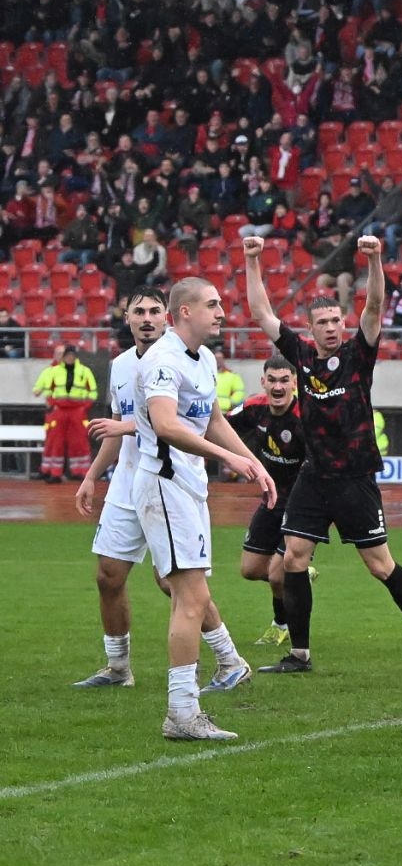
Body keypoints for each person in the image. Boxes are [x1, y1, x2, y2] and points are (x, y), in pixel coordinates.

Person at [244, 234, 402, 675]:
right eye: (323, 322)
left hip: (355, 479)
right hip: (314, 477)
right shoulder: (301, 356)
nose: (332, 327)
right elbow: (262, 312)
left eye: (336, 320)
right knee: (293, 558)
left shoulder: (358, 354)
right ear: (311, 328)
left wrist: (374, 260)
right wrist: (252, 260)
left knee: (380, 566)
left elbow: (374, 306)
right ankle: (300, 654)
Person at [71, 286, 252, 694]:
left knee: (174, 582)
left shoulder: (180, 359)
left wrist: (243, 459)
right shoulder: (120, 365)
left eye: (155, 310)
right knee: (108, 576)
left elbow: (170, 422)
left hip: (166, 479)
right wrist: (92, 476)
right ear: (128, 319)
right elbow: (119, 428)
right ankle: (118, 667)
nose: (148, 318)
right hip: (127, 481)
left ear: (168, 316)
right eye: (139, 312)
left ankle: (225, 660)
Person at [132, 277, 277, 741]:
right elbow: (166, 425)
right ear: (185, 312)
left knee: (187, 595)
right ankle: (182, 711)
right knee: (191, 599)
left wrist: (253, 462)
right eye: (212, 304)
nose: (221, 312)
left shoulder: (206, 358)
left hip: (188, 487)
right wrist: (228, 459)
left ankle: (207, 685)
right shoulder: (162, 360)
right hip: (164, 484)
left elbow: (213, 419)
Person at [230, 356, 307, 646]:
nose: (278, 387)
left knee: (277, 575)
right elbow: (220, 426)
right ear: (263, 382)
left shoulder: (305, 417)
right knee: (250, 570)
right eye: (272, 380)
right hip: (272, 500)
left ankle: (280, 624)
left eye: (284, 380)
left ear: (294, 384)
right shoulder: (254, 408)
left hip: (302, 506)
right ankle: (299, 575)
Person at [35, 345, 99, 483]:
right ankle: (55, 473)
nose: (69, 358)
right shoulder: (54, 371)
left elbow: (93, 392)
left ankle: (81, 472)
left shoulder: (85, 371)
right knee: (56, 441)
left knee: (79, 441)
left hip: (77, 411)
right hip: (60, 410)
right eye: (67, 355)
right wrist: (53, 404)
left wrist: (84, 407)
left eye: (72, 355)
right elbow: (48, 390)